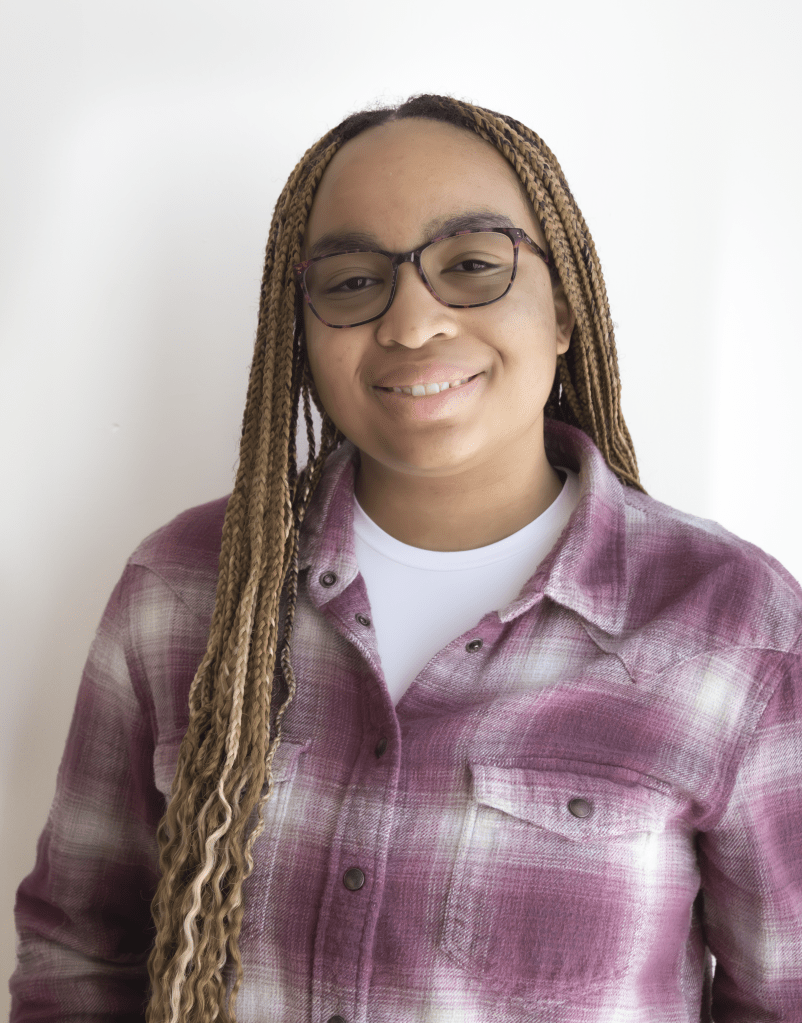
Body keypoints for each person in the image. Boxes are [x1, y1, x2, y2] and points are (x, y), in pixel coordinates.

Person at [9, 94, 802, 1023]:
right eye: (353, 281)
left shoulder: (734, 626)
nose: (413, 323)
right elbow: (80, 956)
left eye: (472, 265)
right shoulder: (181, 592)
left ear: (564, 310)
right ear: (302, 333)